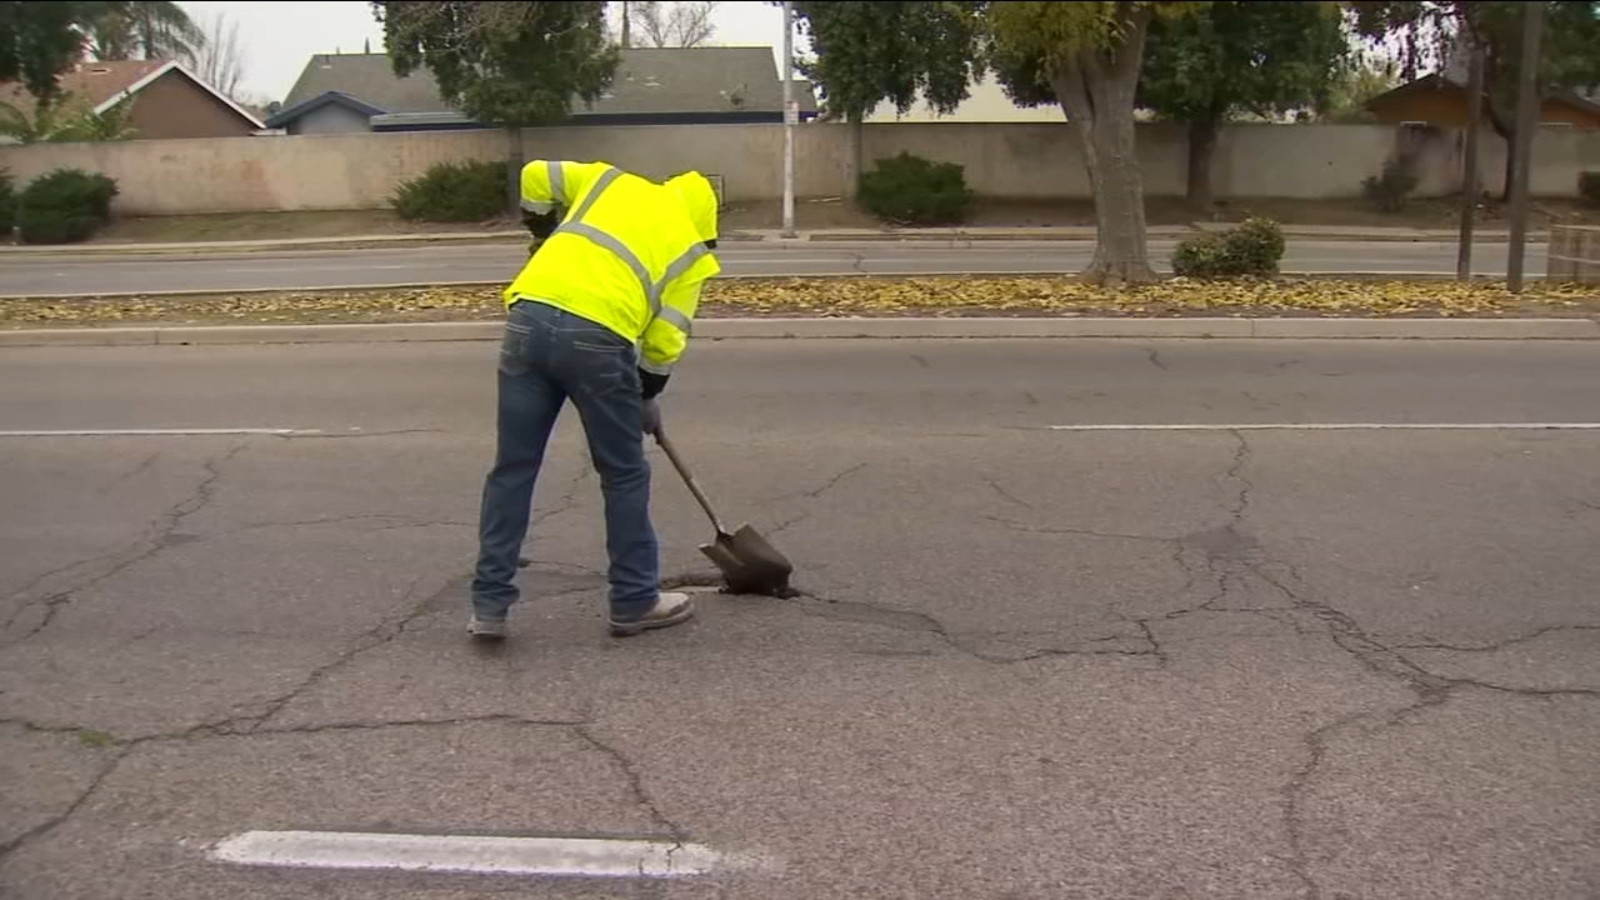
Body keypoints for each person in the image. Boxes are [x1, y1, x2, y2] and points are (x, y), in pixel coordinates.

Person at [468, 159, 721, 642]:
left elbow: (536, 174)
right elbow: (665, 342)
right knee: (623, 473)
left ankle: (489, 606)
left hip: (529, 315)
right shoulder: (691, 253)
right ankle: (633, 600)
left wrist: (543, 232)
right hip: (598, 340)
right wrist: (646, 395)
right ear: (703, 224)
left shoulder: (608, 181)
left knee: (513, 468)